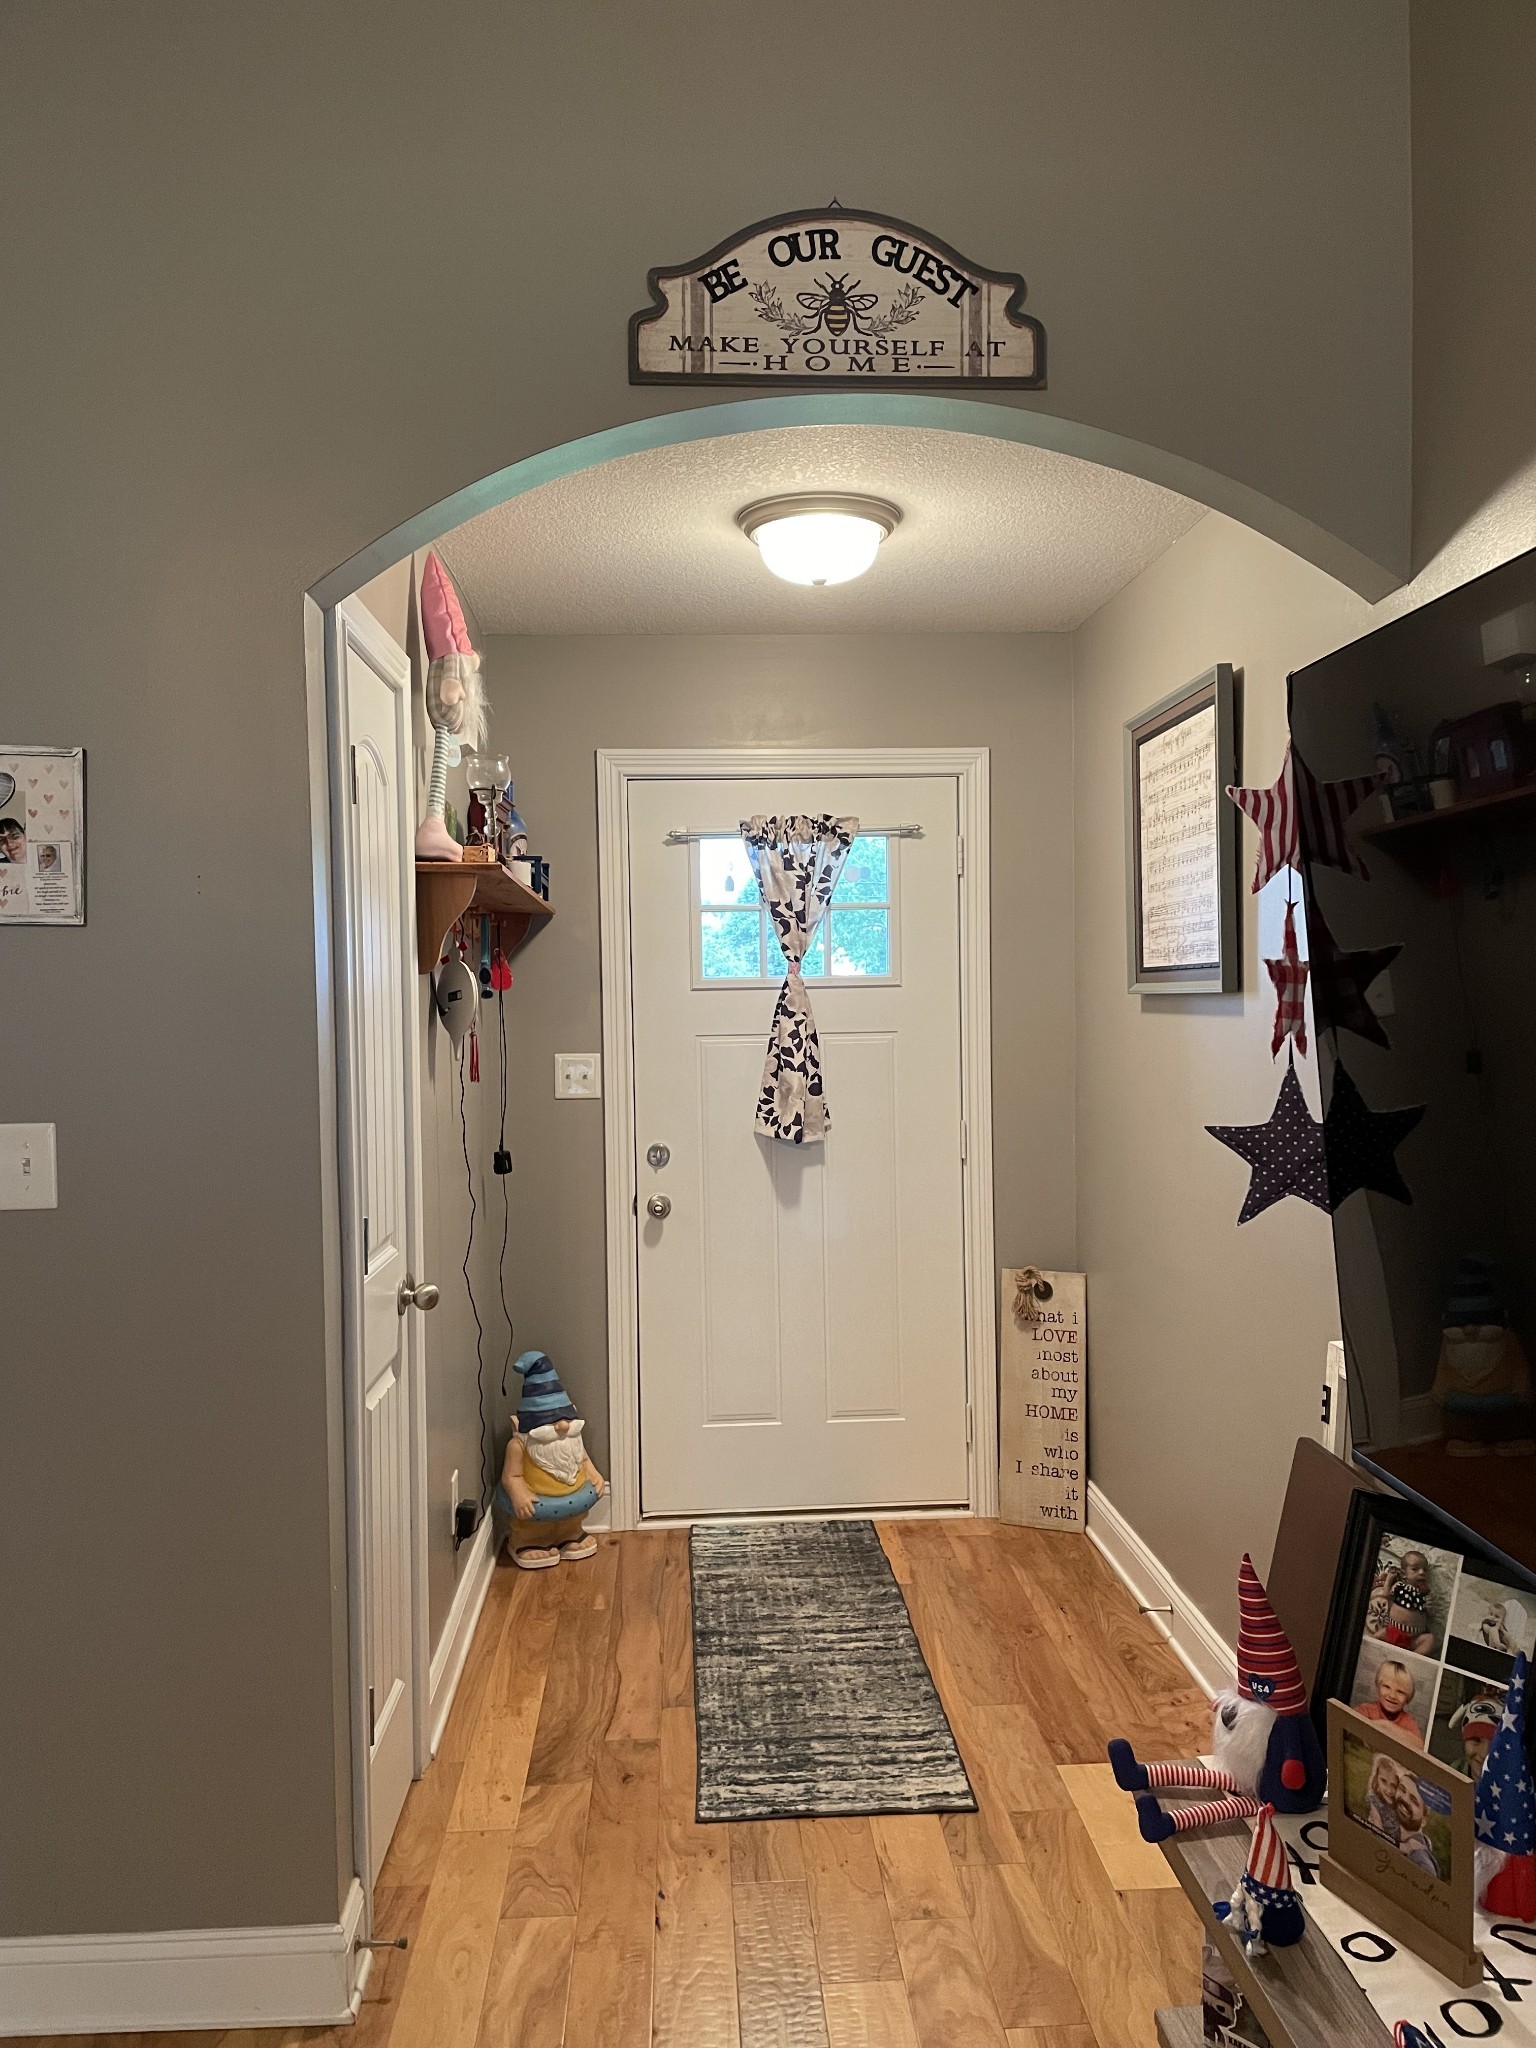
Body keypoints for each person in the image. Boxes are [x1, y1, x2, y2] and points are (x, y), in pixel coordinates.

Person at [496, 1351, 607, 1571]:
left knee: (571, 1522)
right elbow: (511, 1476)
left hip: (574, 1499)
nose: (562, 1427)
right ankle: (527, 1542)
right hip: (537, 1502)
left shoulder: (572, 1440)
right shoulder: (519, 1446)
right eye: (550, 1422)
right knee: (530, 1524)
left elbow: (582, 1459)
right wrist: (519, 1494)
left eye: (565, 1418)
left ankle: (570, 1534)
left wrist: (594, 1475)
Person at [1357, 1658, 1425, 1747]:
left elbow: (1419, 1746)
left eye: (1400, 1692)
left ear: (1408, 1698)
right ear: (1378, 1688)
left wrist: (1386, 1726)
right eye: (1387, 1687)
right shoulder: (1366, 1710)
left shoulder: (1409, 1722)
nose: (1392, 1696)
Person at [1383, 1551, 1437, 1655]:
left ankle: (1411, 1657)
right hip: (1391, 1632)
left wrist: (1430, 1608)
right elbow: (1385, 1596)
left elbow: (1431, 1616)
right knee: (1377, 1635)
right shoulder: (1399, 1586)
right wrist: (1388, 1581)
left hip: (1413, 1639)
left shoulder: (1425, 1594)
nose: (1422, 1572)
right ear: (1404, 1574)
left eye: (1424, 1570)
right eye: (1415, 1569)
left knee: (1430, 1639)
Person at [1392, 1778, 1442, 1880]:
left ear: (1423, 1821)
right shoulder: (1395, 1833)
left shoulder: (1419, 1859)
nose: (1405, 1799)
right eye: (1402, 1790)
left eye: (1414, 1801)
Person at [1365, 1753, 1403, 1844]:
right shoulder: (1375, 1799)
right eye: (1383, 1781)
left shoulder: (1399, 1802)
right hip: (1377, 1839)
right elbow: (1378, 1828)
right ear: (1376, 1777)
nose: (1388, 1790)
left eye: (1393, 1785)